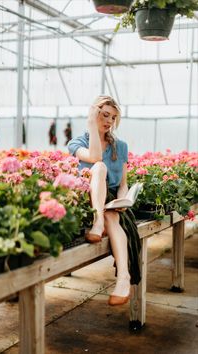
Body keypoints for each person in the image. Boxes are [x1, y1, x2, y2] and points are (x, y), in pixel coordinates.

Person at [68, 95, 141, 306]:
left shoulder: (121, 146)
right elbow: (95, 158)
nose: (109, 121)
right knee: (99, 167)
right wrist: (92, 125)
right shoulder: (77, 143)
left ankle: (123, 278)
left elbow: (123, 183)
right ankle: (97, 221)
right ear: (94, 114)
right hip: (88, 200)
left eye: (113, 117)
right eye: (104, 115)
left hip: (110, 202)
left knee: (112, 216)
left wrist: (123, 201)